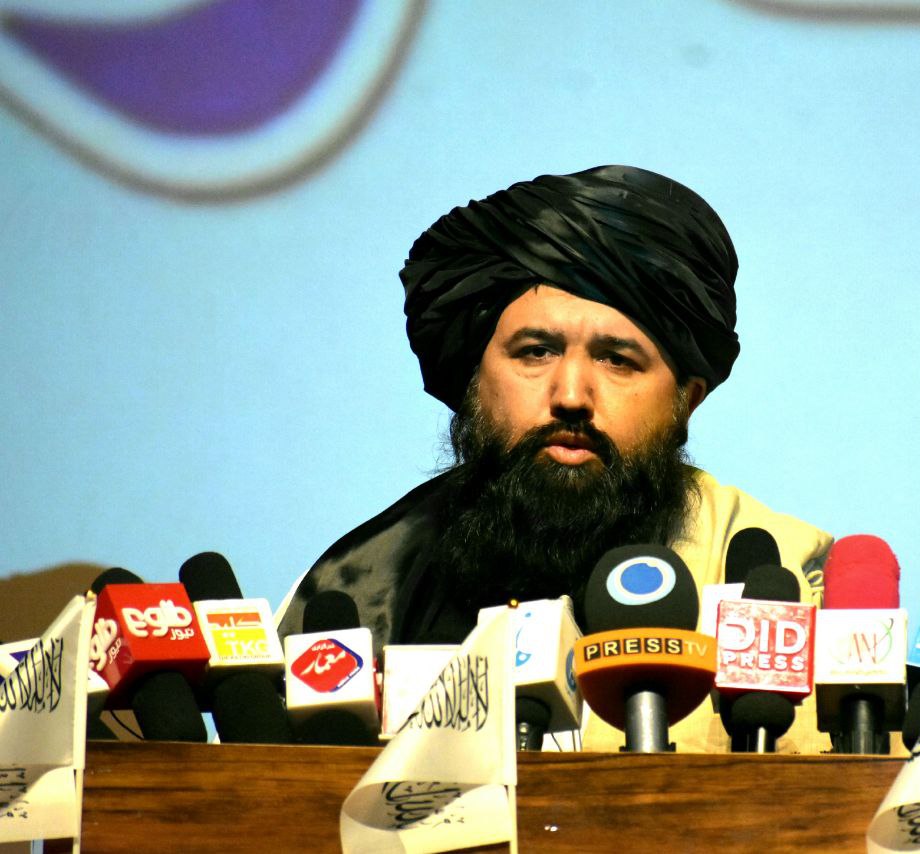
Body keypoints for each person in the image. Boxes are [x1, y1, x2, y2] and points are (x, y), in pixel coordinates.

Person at [276, 165, 832, 751]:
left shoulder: (783, 580)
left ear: (685, 402)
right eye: (536, 351)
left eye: (617, 360)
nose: (571, 396)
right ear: (473, 381)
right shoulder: (362, 584)